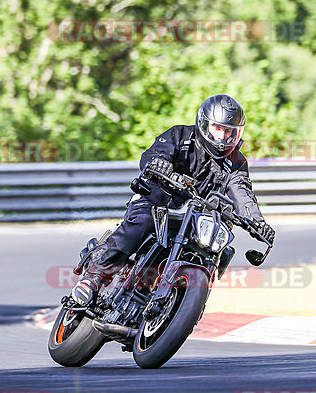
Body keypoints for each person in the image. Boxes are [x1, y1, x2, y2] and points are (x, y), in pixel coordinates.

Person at [71, 94, 275, 305]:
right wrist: (160, 164)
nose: (223, 137)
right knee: (142, 223)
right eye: (218, 129)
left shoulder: (236, 162)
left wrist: (257, 222)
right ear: (205, 124)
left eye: (229, 131)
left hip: (197, 219)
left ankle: (184, 303)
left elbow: (241, 192)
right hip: (159, 202)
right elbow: (156, 153)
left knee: (217, 248)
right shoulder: (181, 135)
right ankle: (94, 277)